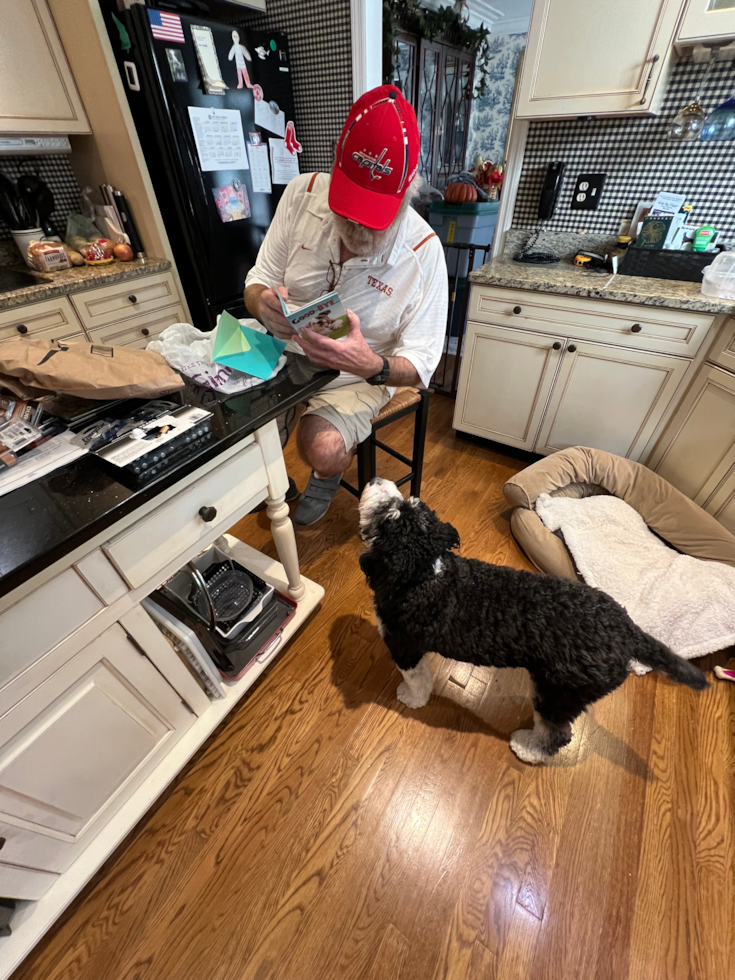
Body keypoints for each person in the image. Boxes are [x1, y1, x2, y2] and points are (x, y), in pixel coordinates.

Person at [244, 84, 448, 525]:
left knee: (322, 447)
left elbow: (422, 365)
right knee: (232, 421)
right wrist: (262, 303)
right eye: (348, 206)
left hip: (357, 373)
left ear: (408, 191)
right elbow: (256, 280)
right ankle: (273, 478)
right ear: (336, 166)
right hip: (282, 349)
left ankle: (326, 472)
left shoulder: (425, 252)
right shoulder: (301, 193)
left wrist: (370, 365)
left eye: (372, 217)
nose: (356, 227)